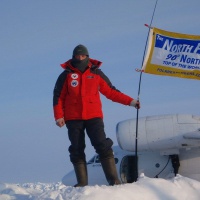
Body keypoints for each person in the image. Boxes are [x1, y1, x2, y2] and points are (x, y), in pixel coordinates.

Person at [53, 44, 140, 187]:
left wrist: (131, 102)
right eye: (77, 56)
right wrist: (58, 116)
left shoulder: (96, 73)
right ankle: (82, 184)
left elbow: (111, 92)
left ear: (87, 57)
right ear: (73, 57)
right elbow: (58, 97)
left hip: (94, 117)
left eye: (83, 56)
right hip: (73, 118)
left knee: (102, 146)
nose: (80, 58)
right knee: (76, 149)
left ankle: (114, 181)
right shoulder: (66, 75)